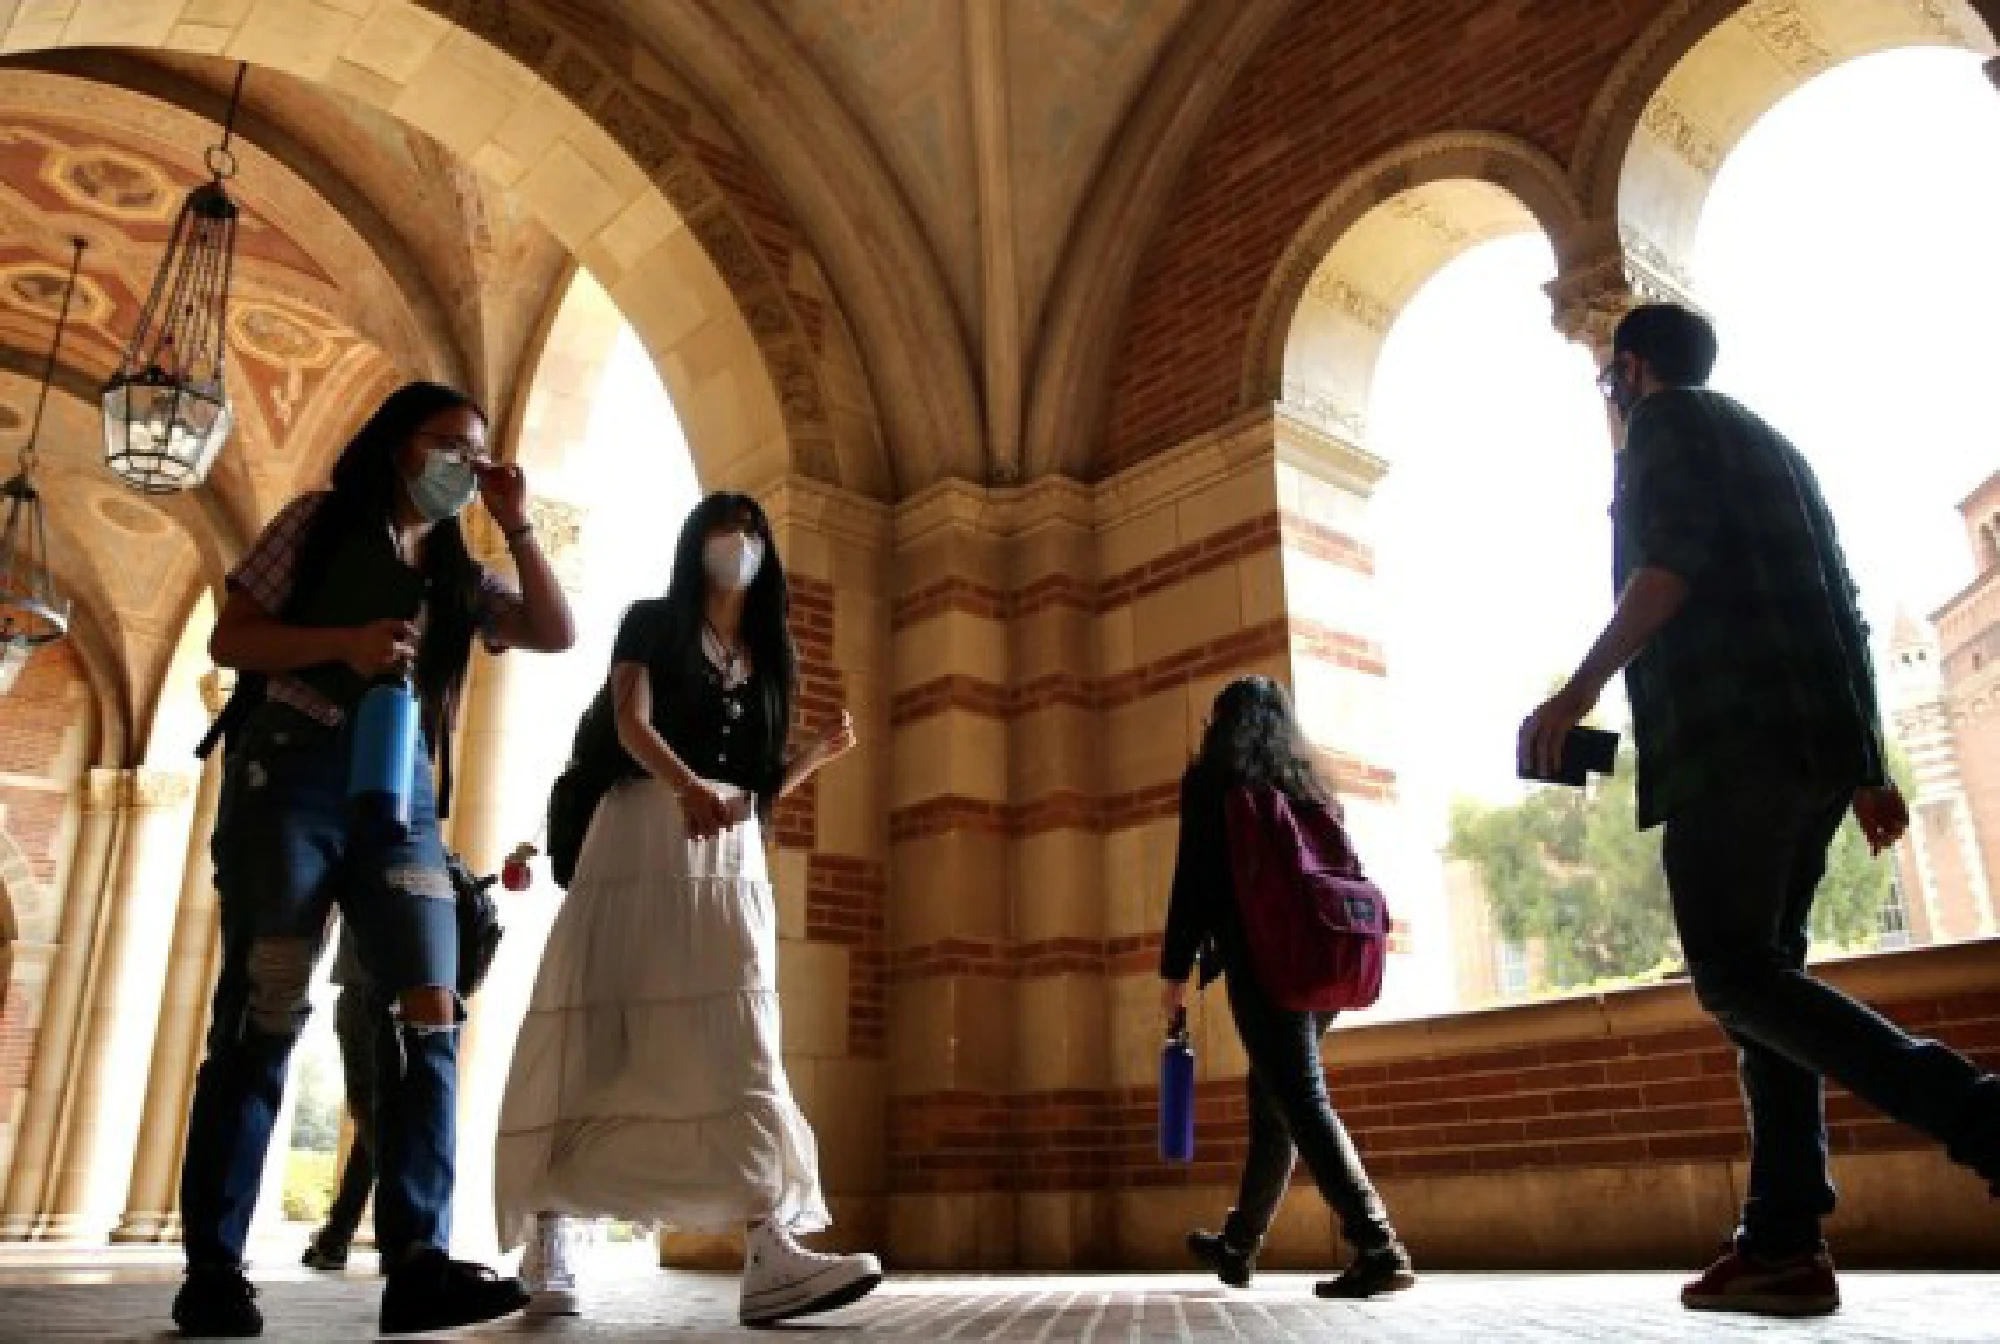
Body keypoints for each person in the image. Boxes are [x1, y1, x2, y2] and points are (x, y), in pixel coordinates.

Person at [1520, 302, 2000, 1318]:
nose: (1612, 391)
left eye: (1611, 377)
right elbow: (1842, 604)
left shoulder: (1663, 427)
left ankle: (1978, 1117)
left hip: (1728, 741)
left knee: (1735, 978)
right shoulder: (1774, 447)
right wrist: (1865, 765)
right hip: (1814, 747)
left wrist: (1575, 691)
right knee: (1768, 993)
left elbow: (1668, 569)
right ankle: (1781, 1242)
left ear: (1633, 370)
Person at [173, 381, 577, 1338]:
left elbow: (555, 631)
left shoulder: (458, 572)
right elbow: (235, 635)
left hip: (404, 800)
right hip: (297, 769)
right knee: (269, 1000)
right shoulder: (317, 522)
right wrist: (343, 645)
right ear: (398, 445)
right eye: (449, 445)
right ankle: (215, 1269)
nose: (465, 467)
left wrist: (516, 526)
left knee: (433, 1010)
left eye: (477, 455)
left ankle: (420, 1264)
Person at [494, 491, 880, 1327]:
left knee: (739, 1034)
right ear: (695, 541)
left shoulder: (774, 655)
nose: (737, 542)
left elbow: (748, 795)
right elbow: (630, 723)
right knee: (605, 1025)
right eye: (722, 526)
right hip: (637, 835)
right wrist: (684, 787)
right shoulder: (651, 622)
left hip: (727, 862)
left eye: (752, 530)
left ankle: (769, 1249)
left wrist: (807, 757)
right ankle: (552, 1234)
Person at [1158, 675, 1415, 1300]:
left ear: (1220, 723)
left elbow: (1193, 880)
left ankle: (1377, 1243)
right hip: (1327, 955)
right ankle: (1239, 1245)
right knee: (1274, 1101)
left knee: (1299, 1097)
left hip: (1266, 960)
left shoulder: (1216, 778)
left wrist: (1175, 972)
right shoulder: (1308, 782)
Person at [300, 923, 376, 1273]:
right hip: (414, 992)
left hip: (367, 991)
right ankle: (341, 1234)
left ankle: (341, 1235)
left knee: (374, 1120)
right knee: (379, 1121)